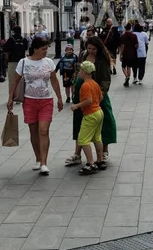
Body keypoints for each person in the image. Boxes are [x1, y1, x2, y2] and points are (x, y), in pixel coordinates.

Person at [7, 36, 63, 175]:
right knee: (33, 131)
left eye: (46, 49)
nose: (45, 51)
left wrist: (60, 98)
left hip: (46, 100)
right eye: (43, 49)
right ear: (36, 49)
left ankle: (44, 162)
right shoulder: (23, 62)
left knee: (43, 130)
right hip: (29, 101)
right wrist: (10, 98)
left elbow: (54, 81)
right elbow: (15, 81)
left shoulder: (49, 62)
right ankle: (38, 158)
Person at [65, 36, 116, 166]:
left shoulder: (102, 59)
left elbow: (105, 79)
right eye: (89, 48)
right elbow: (78, 71)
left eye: (94, 49)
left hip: (97, 94)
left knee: (104, 123)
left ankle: (104, 152)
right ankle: (77, 154)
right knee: (79, 123)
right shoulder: (83, 55)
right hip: (81, 93)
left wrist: (101, 95)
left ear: (98, 48)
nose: (91, 51)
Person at [70, 61, 104, 175]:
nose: (79, 72)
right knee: (97, 137)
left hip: (90, 114)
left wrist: (76, 106)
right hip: (99, 112)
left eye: (80, 70)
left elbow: (88, 101)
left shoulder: (85, 85)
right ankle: (100, 160)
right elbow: (101, 96)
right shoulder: (94, 83)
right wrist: (96, 104)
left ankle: (90, 163)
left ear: (85, 72)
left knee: (83, 139)